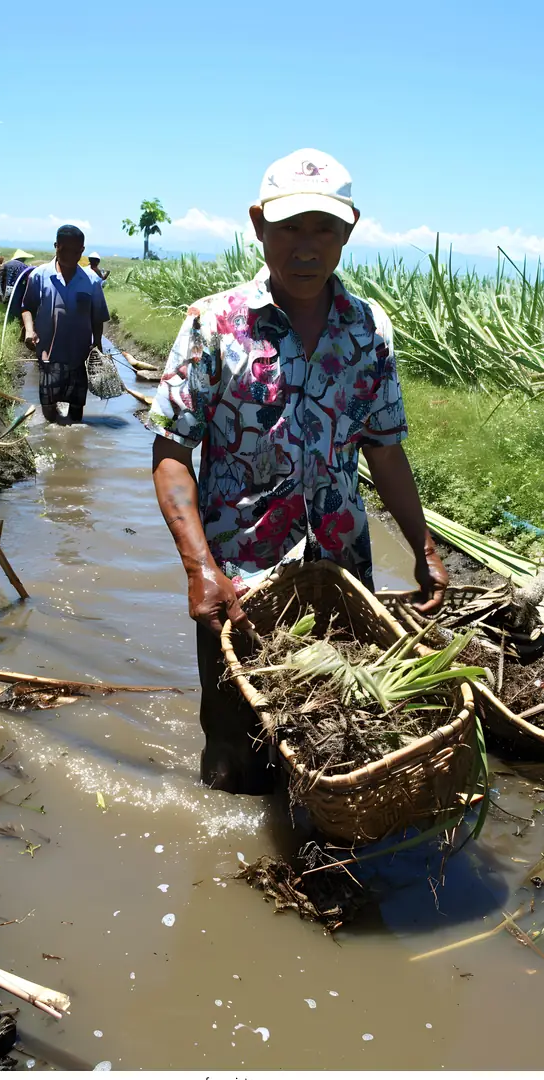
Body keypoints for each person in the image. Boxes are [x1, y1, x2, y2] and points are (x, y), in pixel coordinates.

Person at [148, 148, 449, 795]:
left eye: (324, 229)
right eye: (290, 227)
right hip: (238, 591)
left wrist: (423, 546)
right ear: (259, 225)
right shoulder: (213, 324)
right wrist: (200, 568)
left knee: (337, 744)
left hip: (342, 585)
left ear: (349, 230)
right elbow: (172, 451)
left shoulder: (368, 332)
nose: (306, 246)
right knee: (233, 756)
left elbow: (386, 450)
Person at [21, 225, 110, 424]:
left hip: (79, 356)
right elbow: (27, 306)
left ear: (82, 250)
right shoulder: (39, 275)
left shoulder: (91, 281)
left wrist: (98, 344)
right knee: (49, 409)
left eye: (75, 251)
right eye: (64, 250)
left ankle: (73, 443)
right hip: (48, 355)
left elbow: (97, 317)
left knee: (77, 411)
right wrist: (29, 330)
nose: (70, 256)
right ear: (56, 246)